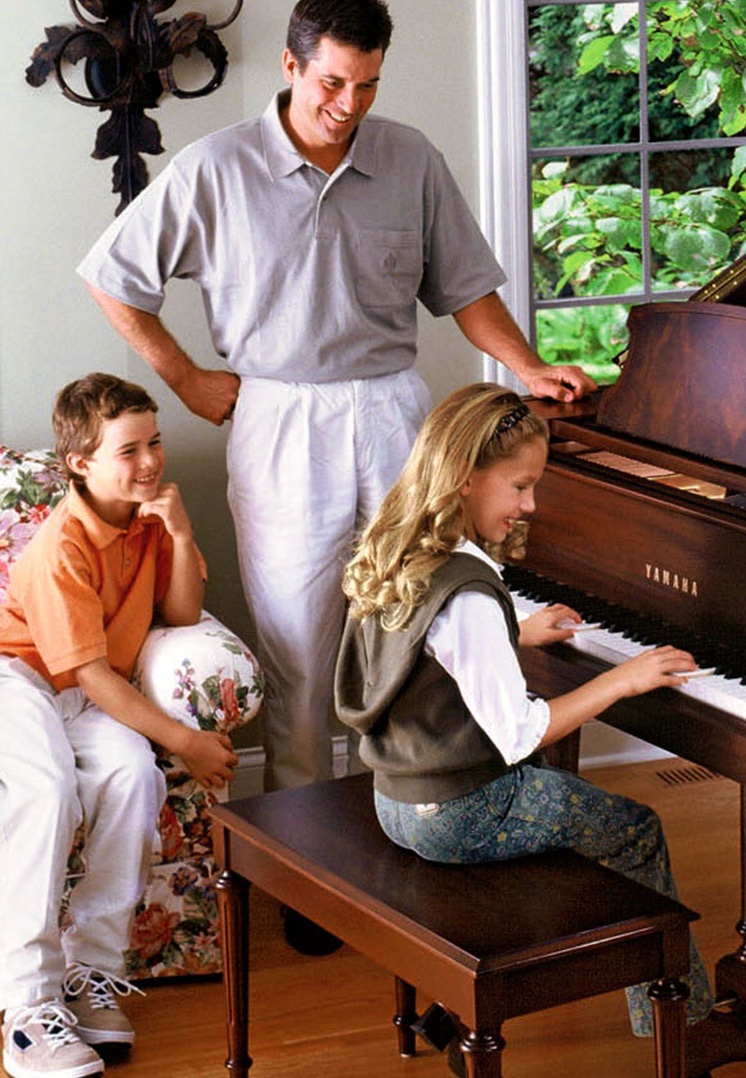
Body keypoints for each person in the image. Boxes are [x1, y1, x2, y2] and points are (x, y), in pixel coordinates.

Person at [75, 0, 596, 817]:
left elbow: (466, 287)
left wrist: (526, 365)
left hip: (395, 411)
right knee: (301, 653)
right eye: (331, 82)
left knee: (428, 618)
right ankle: (310, 850)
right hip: (281, 419)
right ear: (290, 66)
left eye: (367, 85)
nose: (348, 104)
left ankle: (429, 817)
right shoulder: (217, 168)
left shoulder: (410, 159)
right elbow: (113, 278)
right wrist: (186, 378)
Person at [334, 383, 739, 1077]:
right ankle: (684, 1027)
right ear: (466, 477)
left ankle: (480, 987)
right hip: (459, 815)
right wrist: (624, 678)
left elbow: (427, 654)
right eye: (520, 486)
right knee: (636, 829)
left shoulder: (404, 550)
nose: (529, 504)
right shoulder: (469, 591)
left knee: (561, 806)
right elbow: (520, 735)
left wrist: (515, 633)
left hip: (396, 800)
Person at [0, 374, 238, 1078]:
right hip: (18, 679)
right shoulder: (60, 548)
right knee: (45, 792)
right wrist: (187, 741)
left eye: (154, 442)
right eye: (129, 450)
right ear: (80, 463)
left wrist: (182, 530)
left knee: (135, 777)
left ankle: (90, 974)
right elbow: (97, 674)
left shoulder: (146, 523)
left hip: (82, 687)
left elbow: (185, 616)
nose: (151, 461)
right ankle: (28, 1007)